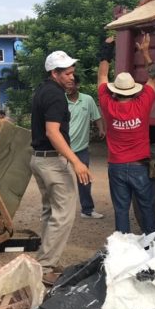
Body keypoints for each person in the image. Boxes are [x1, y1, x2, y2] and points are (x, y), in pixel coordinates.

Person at [31, 50, 91, 285]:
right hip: (52, 160)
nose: (71, 77)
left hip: (38, 158)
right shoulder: (55, 95)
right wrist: (76, 161)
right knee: (63, 214)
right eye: (67, 73)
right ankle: (45, 267)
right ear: (54, 73)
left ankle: (46, 262)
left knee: (50, 210)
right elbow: (52, 132)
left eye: (72, 73)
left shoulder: (42, 90)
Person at [97, 34, 155, 234]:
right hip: (139, 166)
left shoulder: (108, 105)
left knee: (121, 210)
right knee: (147, 208)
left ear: (116, 91)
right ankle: (152, 245)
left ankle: (123, 249)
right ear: (133, 91)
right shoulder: (143, 103)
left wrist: (106, 50)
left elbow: (102, 76)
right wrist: (146, 53)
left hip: (116, 166)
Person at [66, 79, 106, 219]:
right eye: (66, 85)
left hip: (81, 149)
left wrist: (101, 129)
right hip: (63, 148)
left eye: (71, 85)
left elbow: (96, 117)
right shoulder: (60, 100)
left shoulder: (87, 100)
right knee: (59, 181)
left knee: (84, 180)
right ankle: (55, 212)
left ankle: (87, 210)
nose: (68, 88)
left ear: (77, 85)